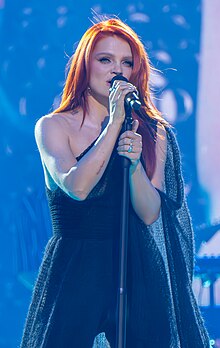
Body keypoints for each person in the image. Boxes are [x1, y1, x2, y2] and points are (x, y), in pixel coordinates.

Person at [20, 17, 210, 348]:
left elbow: (151, 213)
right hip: (76, 267)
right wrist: (115, 125)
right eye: (105, 60)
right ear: (85, 65)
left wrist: (134, 163)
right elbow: (77, 187)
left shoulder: (152, 132)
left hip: (134, 267)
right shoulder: (53, 127)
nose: (116, 70)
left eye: (126, 62)